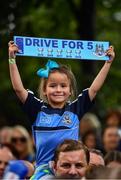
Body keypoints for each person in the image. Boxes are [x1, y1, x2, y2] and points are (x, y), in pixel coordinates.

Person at [8, 41, 115, 178]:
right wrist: (12, 59)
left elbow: (94, 89)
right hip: (44, 171)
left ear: (70, 91)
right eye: (53, 86)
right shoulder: (36, 109)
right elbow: (18, 89)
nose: (58, 90)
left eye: (63, 86)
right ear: (45, 90)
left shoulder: (76, 108)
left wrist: (108, 63)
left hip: (72, 170)